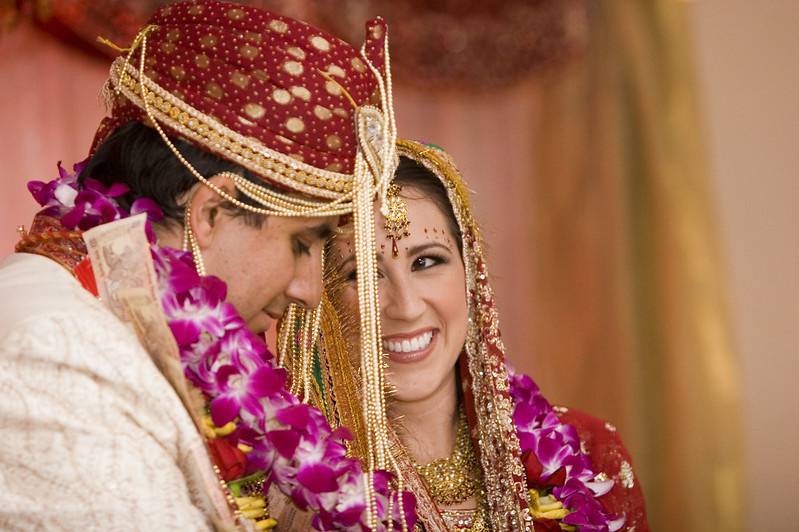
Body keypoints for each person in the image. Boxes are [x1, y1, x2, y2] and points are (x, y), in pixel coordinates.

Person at [0, 1, 407, 530]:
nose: (310, 291)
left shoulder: (129, 323)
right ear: (211, 212)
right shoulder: (54, 347)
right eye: (305, 242)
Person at [301, 140, 651, 531]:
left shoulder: (590, 453)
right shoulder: (299, 492)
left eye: (426, 261)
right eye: (363, 274)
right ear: (320, 298)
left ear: (472, 275)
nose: (407, 306)